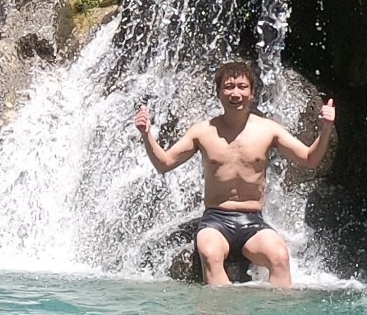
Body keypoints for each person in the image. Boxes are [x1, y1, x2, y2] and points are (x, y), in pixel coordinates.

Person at [133, 60, 335, 288]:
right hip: (215, 220)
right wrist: (147, 135)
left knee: (279, 256)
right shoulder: (203, 131)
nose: (235, 93)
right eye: (228, 87)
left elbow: (310, 159)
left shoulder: (268, 129)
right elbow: (165, 163)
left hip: (253, 221)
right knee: (210, 255)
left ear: (252, 93)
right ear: (218, 93)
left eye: (242, 86)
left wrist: (326, 129)